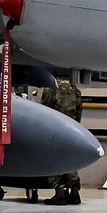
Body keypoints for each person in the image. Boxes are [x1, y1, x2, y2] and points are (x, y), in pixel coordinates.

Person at [41, 74, 85, 205]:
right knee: (71, 160)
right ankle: (74, 192)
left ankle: (59, 194)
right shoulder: (75, 89)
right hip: (72, 130)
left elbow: (44, 111)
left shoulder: (51, 88)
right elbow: (79, 112)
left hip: (55, 130)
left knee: (54, 160)